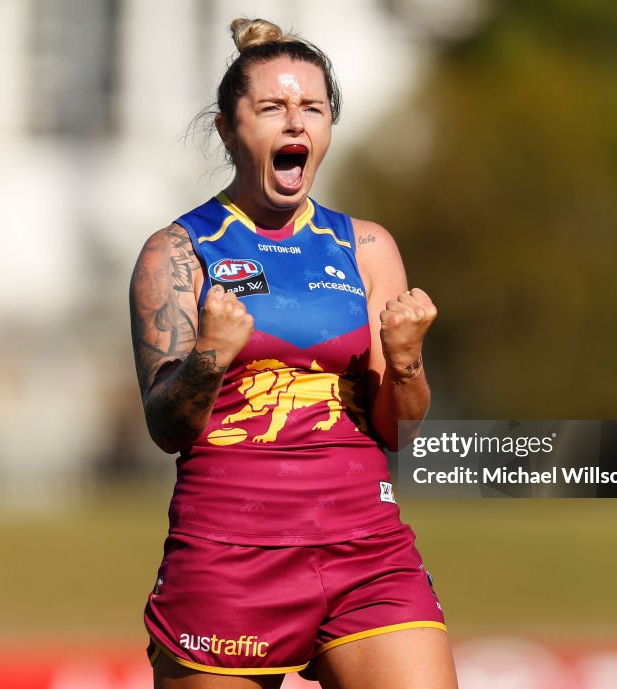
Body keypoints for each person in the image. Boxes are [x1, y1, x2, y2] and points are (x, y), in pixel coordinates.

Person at [130, 17, 458, 689]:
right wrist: (209, 359)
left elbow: (399, 429)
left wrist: (405, 363)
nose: (295, 125)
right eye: (272, 108)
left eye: (311, 108)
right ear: (228, 129)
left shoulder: (366, 248)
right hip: (230, 555)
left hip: (364, 548)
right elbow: (167, 427)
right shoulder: (180, 252)